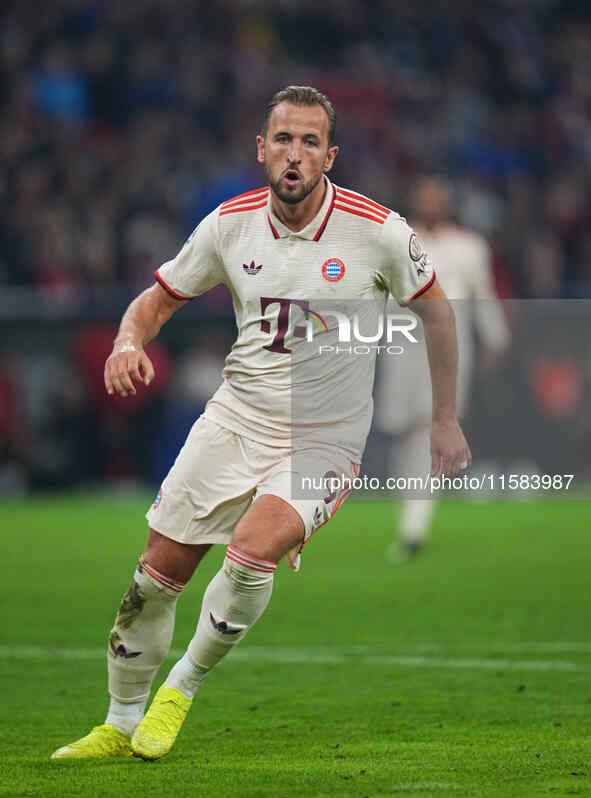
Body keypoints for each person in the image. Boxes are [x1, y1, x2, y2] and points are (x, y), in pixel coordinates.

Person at [51, 86, 470, 761]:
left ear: (329, 155)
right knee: (154, 579)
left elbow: (439, 314)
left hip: (324, 437)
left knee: (251, 553)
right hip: (233, 422)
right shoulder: (228, 225)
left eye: (309, 141)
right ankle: (118, 722)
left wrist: (443, 417)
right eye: (282, 139)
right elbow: (154, 303)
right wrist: (128, 342)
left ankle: (179, 689)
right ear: (261, 149)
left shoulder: (378, 231)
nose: (294, 154)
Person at [374, 176, 509, 561]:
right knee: (402, 432)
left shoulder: (469, 247)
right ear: (416, 201)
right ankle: (410, 512)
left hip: (451, 352)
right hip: (402, 351)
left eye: (438, 197)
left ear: (446, 203)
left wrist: (494, 339)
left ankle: (414, 526)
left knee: (431, 431)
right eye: (425, 197)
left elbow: (483, 296)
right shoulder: (396, 241)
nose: (431, 203)